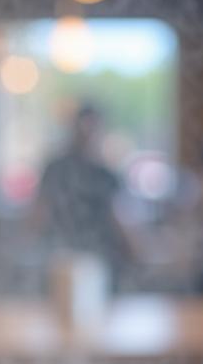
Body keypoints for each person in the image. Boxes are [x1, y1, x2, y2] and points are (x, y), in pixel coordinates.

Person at [33, 103, 132, 285]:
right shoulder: (59, 170)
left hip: (95, 262)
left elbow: (37, 216)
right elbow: (39, 214)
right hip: (64, 260)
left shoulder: (104, 174)